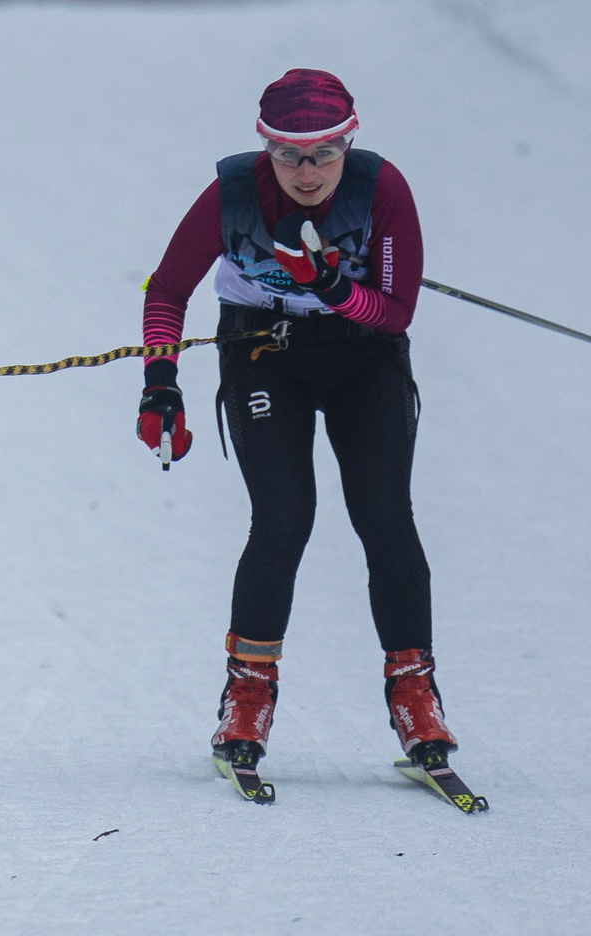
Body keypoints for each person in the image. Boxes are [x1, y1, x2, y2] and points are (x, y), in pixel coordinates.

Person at [135, 68, 456, 790]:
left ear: (349, 143)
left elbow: (396, 311)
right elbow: (168, 288)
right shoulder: (233, 193)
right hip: (262, 352)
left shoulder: (381, 190)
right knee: (283, 518)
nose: (307, 172)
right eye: (288, 155)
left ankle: (415, 695)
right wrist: (161, 383)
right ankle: (247, 697)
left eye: (323, 154)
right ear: (266, 148)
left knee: (384, 516)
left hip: (363, 357)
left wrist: (329, 285)